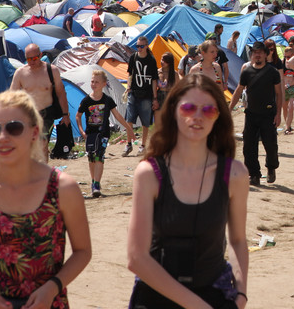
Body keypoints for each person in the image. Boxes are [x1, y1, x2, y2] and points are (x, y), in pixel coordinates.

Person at [0, 90, 92, 309]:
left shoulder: (62, 188)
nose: (2, 137)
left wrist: (52, 287)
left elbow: (83, 251)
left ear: (34, 132)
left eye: (14, 128)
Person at [126, 74, 249, 308]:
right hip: (155, 297)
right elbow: (136, 258)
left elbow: (238, 239)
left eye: (208, 110)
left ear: (218, 117)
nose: (197, 117)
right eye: (189, 108)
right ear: (173, 111)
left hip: (214, 293)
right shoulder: (149, 174)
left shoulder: (234, 174)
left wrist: (241, 295)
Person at [75, 70, 136, 198]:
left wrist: (128, 128)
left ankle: (96, 183)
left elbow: (117, 115)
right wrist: (81, 130)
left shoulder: (107, 100)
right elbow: (78, 116)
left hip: (103, 133)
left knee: (99, 156)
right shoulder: (86, 100)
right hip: (90, 133)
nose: (94, 84)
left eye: (97, 82)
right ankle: (94, 182)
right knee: (91, 157)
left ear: (104, 84)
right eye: (92, 81)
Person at [229, 41, 282, 186]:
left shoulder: (272, 72)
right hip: (251, 114)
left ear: (266, 54)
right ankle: (254, 174)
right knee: (249, 147)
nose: (257, 55)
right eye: (254, 52)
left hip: (268, 114)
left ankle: (271, 167)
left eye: (260, 52)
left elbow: (279, 93)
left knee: (270, 145)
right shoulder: (246, 71)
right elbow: (239, 90)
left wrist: (278, 114)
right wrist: (230, 108)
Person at [10, 43, 71, 161]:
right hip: (28, 114)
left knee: (42, 143)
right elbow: (12, 96)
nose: (32, 62)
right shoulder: (20, 73)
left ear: (40, 55)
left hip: (46, 113)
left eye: (34, 58)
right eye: (28, 59)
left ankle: (43, 175)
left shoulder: (52, 71)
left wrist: (65, 114)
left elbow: (61, 93)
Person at [124, 37, 159, 157]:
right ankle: (128, 144)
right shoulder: (133, 57)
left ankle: (143, 146)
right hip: (133, 92)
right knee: (129, 119)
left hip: (146, 95)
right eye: (137, 46)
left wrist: (155, 98)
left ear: (147, 46)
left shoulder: (151, 60)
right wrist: (128, 86)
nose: (139, 49)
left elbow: (154, 80)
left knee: (145, 122)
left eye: (141, 46)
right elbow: (130, 74)